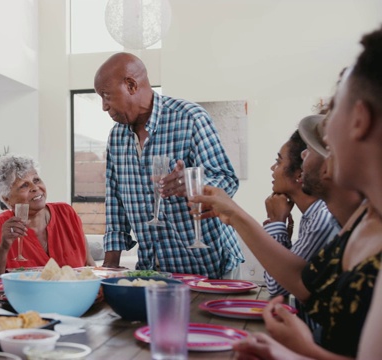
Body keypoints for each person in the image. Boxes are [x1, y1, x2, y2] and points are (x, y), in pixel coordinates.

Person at [191, 56, 382, 356]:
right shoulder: (365, 218)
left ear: (360, 120)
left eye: (330, 121)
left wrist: (300, 352)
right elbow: (304, 282)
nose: (314, 148)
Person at [93, 52, 243, 278]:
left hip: (209, 267)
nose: (104, 107)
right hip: (152, 271)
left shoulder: (189, 118)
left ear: (131, 85)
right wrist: (109, 268)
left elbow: (227, 181)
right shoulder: (116, 137)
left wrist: (194, 184)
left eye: (106, 96)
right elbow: (115, 204)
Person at [0, 154, 95, 279]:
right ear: (7, 198)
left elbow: (89, 266)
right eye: (24, 185)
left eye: (36, 180)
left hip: (75, 296)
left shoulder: (67, 213)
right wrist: (4, 247)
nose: (35, 188)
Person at [262, 129, 337, 300]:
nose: (273, 168)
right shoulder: (311, 215)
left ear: (299, 173)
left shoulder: (320, 218)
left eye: (278, 162)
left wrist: (276, 224)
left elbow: (276, 287)